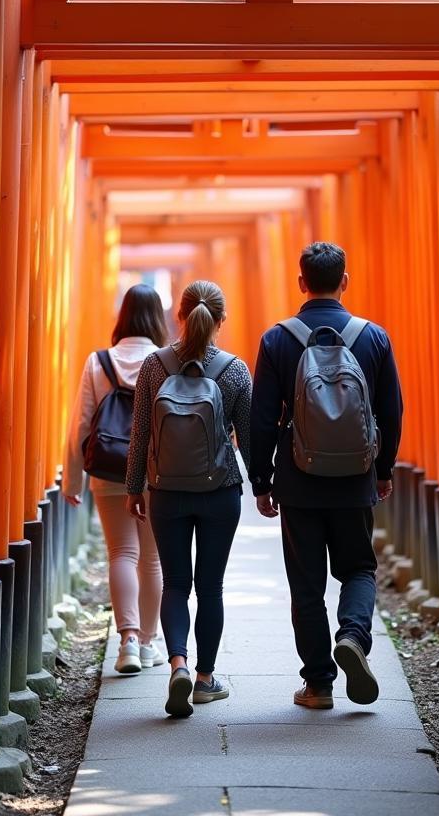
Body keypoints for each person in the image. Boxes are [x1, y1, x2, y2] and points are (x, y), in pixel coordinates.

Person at [249, 242, 403, 710]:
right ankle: (354, 636)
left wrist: (262, 480)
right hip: (355, 476)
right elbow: (391, 410)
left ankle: (318, 685)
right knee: (358, 567)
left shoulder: (279, 339)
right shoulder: (372, 337)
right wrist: (383, 469)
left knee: (306, 582)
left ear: (301, 283)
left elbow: (260, 417)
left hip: (299, 478)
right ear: (345, 281)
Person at [125, 280, 253, 718]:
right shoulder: (234, 370)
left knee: (176, 583)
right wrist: (266, 488)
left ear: (178, 316)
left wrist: (133, 488)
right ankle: (204, 679)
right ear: (221, 320)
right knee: (210, 586)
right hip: (220, 491)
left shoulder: (153, 367)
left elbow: (140, 432)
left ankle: (176, 662)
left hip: (166, 491)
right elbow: (250, 439)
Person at [64, 284, 168, 675]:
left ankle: (125, 640)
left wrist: (72, 481)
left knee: (121, 553)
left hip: (110, 470)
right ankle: (147, 642)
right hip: (157, 471)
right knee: (152, 559)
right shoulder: (164, 361)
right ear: (157, 319)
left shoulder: (98, 362)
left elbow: (80, 425)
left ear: (121, 317)